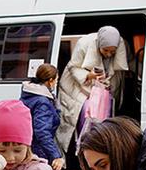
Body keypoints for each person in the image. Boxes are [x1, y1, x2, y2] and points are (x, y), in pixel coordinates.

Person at [55, 26, 129, 154]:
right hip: (79, 89)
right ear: (99, 44)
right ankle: (84, 152)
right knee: (86, 118)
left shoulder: (122, 44)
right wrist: (89, 76)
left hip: (104, 91)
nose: (109, 54)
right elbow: (74, 67)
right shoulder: (84, 44)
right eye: (105, 50)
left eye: (113, 51)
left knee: (105, 120)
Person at [20, 63, 65, 170]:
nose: (56, 83)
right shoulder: (42, 102)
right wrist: (55, 156)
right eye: (56, 80)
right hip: (39, 152)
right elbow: (42, 132)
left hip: (28, 149)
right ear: (50, 81)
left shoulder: (29, 95)